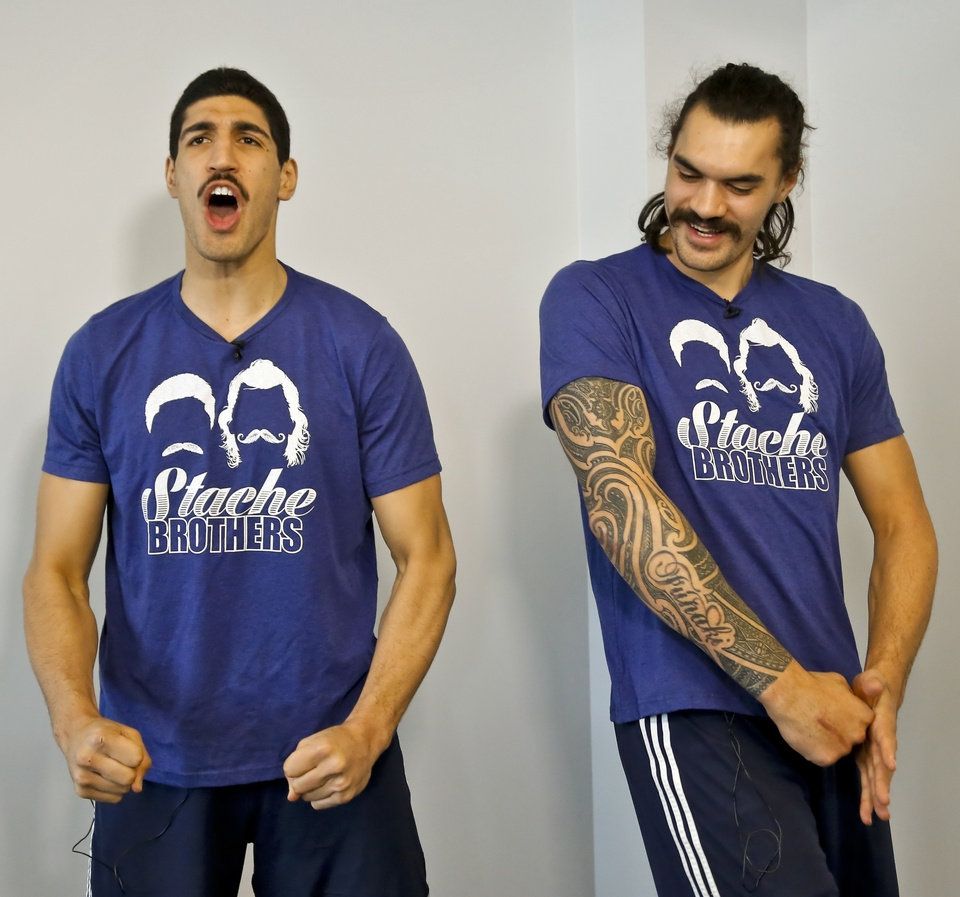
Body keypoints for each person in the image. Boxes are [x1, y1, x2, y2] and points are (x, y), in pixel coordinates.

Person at [23, 67, 456, 897]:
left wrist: (369, 730)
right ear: (173, 174)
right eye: (200, 139)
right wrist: (75, 720)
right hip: (156, 759)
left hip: (331, 754)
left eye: (248, 139)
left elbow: (429, 557)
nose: (222, 155)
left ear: (284, 177)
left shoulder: (360, 343)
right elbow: (55, 571)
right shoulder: (102, 352)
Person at [540, 62, 936, 896]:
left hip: (833, 707)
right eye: (688, 172)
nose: (705, 204)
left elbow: (904, 522)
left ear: (787, 181)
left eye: (739, 184)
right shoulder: (595, 297)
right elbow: (621, 503)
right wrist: (780, 687)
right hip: (697, 703)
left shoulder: (835, 323)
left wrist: (882, 686)